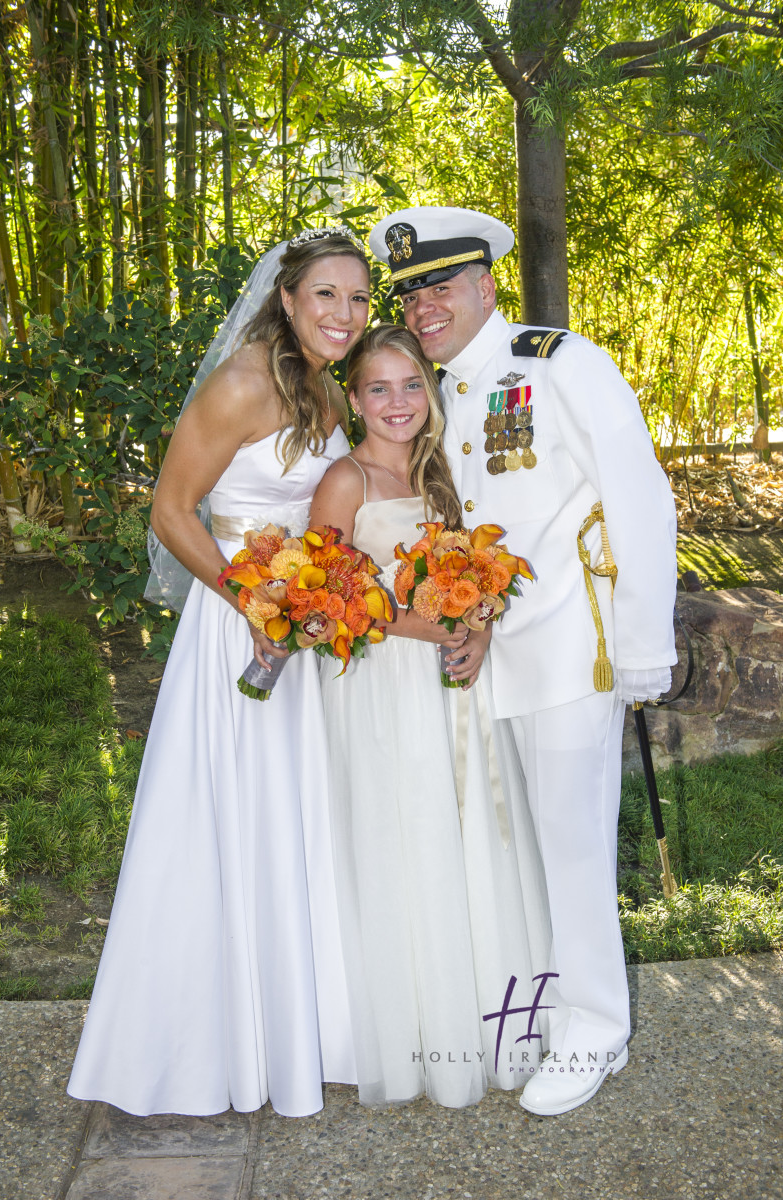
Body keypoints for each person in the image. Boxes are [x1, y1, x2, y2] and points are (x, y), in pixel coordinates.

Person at [368, 206, 678, 1116]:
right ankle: (557, 1004)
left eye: (440, 284)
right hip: (489, 658)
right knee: (530, 850)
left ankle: (596, 1030)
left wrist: (643, 643)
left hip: (569, 652)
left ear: (485, 283)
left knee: (574, 848)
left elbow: (639, 496)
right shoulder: (442, 388)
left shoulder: (557, 363)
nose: (425, 305)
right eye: (412, 291)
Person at [67, 227, 371, 1118]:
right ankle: (206, 1039)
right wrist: (254, 605)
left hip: (298, 626)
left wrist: (319, 600)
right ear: (287, 299)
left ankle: (301, 1027)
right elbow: (169, 510)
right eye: (326, 295)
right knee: (229, 816)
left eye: (357, 299)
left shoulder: (323, 386)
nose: (344, 315)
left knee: (298, 814)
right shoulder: (242, 382)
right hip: (239, 623)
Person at [310, 324, 550, 1107]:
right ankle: (420, 1031)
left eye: (411, 384)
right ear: (353, 398)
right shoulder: (347, 483)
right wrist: (434, 627)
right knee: (409, 838)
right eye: (377, 388)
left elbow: (476, 575)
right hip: (385, 692)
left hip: (456, 685)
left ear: (430, 390)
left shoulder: (444, 472)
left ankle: (498, 1018)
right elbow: (332, 601)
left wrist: (478, 630)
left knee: (476, 833)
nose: (397, 402)